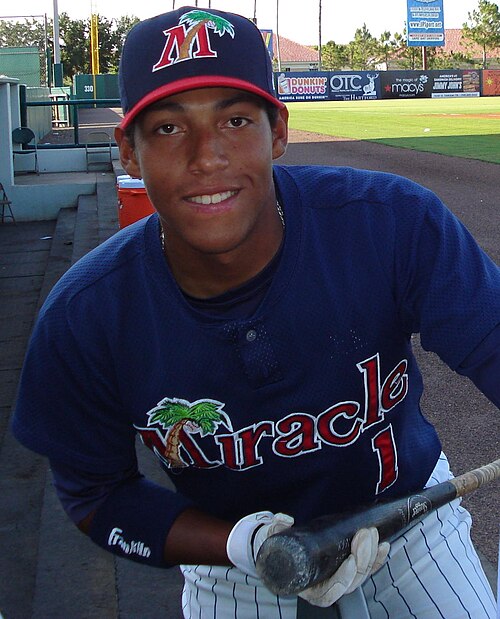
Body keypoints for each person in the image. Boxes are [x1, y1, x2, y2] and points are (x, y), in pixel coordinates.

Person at [12, 6, 499, 619]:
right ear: (128, 153)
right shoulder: (86, 316)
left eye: (235, 119)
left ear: (278, 133)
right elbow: (95, 497)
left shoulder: (391, 222)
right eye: (167, 128)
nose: (206, 155)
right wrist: (243, 545)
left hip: (408, 521)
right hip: (231, 560)